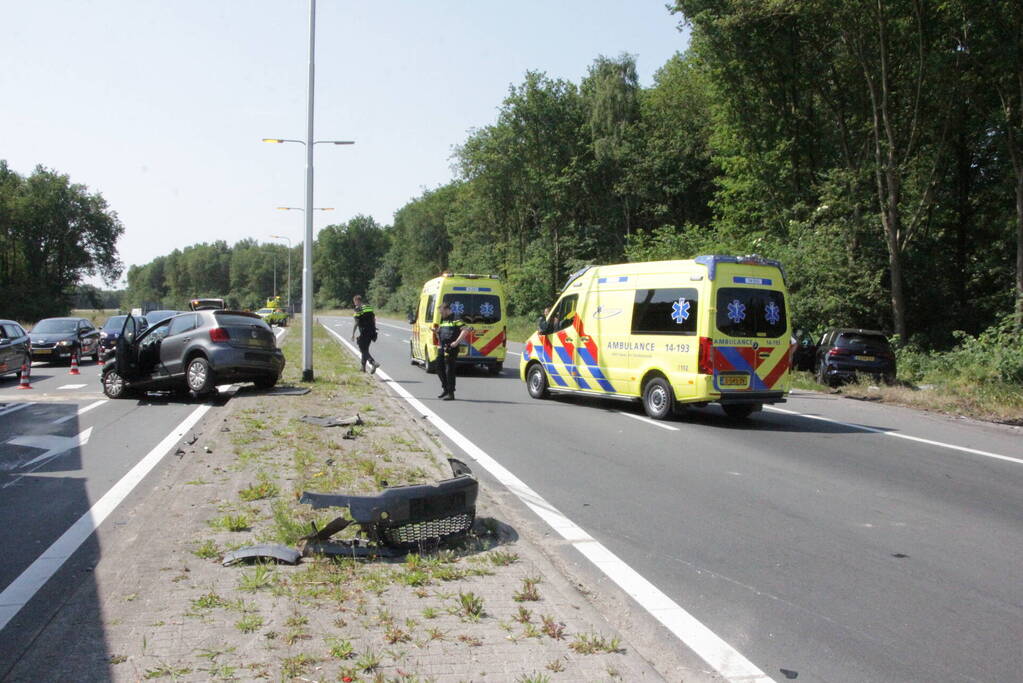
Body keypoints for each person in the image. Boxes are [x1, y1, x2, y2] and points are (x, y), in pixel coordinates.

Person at [435, 302, 472, 400]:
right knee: (439, 368)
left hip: (451, 348)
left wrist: (456, 342)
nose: (441, 314)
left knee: (449, 371)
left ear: (447, 310)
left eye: (442, 312)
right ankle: (445, 389)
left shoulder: (456, 318)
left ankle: (451, 393)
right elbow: (441, 331)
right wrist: (436, 332)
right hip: (442, 347)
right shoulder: (443, 319)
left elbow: (465, 330)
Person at [351, 295, 379, 374]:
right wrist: (374, 327)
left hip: (364, 331)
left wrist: (353, 334)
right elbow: (374, 318)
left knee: (362, 348)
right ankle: (363, 368)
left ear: (357, 301)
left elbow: (356, 322)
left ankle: (373, 363)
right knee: (365, 349)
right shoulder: (368, 307)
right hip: (372, 331)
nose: (355, 304)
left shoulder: (358, 309)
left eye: (355, 302)